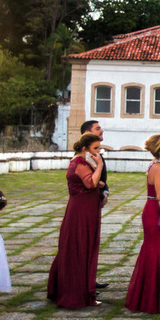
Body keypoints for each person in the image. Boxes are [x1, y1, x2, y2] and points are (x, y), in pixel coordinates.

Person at [48, 134, 105, 309]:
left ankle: (73, 287)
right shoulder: (80, 163)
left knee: (79, 246)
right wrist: (100, 166)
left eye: (99, 149)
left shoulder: (79, 161)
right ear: (84, 149)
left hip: (83, 207)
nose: (98, 152)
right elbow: (90, 184)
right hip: (81, 210)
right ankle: (76, 292)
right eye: (95, 148)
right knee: (81, 246)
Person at [125, 134, 160, 313]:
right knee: (156, 255)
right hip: (156, 213)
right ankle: (151, 299)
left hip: (156, 210)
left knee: (156, 254)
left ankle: (151, 296)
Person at [80, 120, 111, 292]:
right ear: (87, 133)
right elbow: (89, 181)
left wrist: (105, 191)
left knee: (93, 242)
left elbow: (103, 179)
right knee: (85, 242)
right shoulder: (83, 157)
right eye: (98, 128)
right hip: (84, 204)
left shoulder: (96, 153)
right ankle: (84, 281)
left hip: (95, 202)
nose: (102, 130)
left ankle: (90, 278)